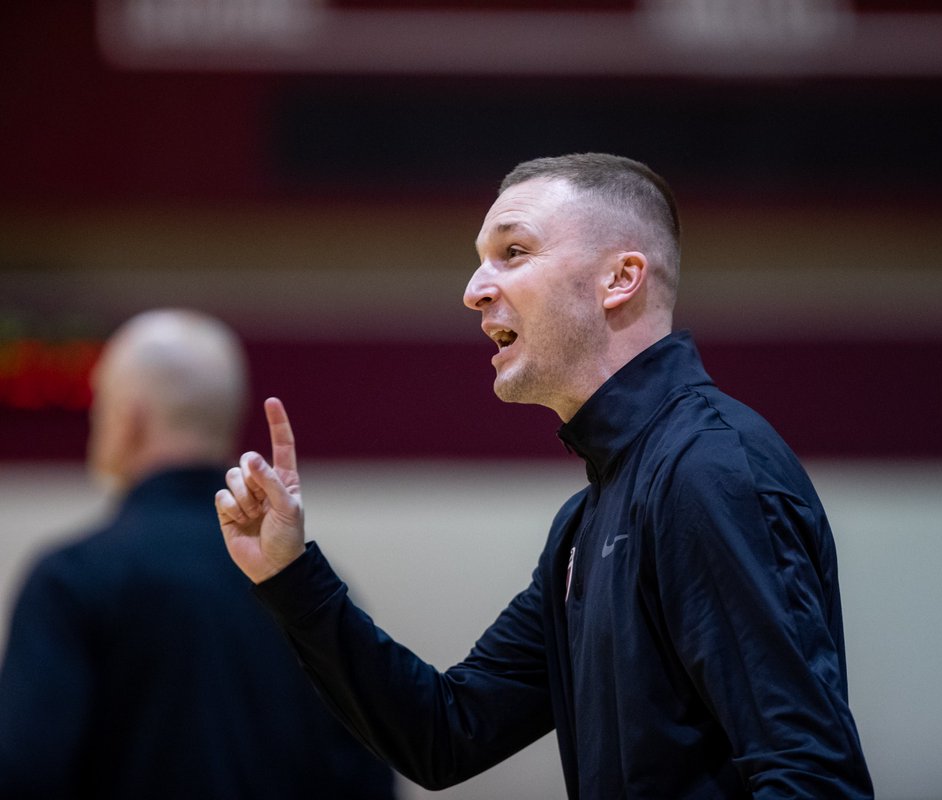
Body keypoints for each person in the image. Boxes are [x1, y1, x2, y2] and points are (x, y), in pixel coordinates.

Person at [216, 154, 874, 798]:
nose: (474, 290)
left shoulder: (710, 470)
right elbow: (448, 732)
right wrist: (290, 575)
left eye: (513, 253)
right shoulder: (587, 520)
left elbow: (813, 778)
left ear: (619, 279)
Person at [0, 309, 397, 799]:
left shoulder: (69, 581)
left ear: (129, 420)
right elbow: (370, 776)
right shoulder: (310, 588)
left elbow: (26, 777)